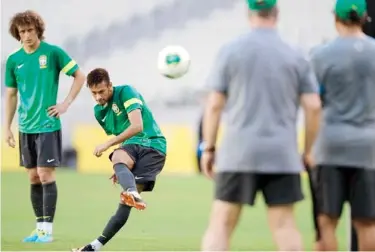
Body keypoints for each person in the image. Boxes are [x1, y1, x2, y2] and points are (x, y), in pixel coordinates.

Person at [199, 0, 322, 250]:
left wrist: (208, 147)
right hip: (281, 153)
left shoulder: (230, 50)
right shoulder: (295, 53)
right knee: (284, 225)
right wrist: (309, 150)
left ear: (249, 13)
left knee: (221, 224)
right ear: (276, 13)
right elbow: (313, 106)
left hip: (238, 153)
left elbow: (214, 105)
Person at [4, 10, 85, 243]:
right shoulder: (14, 60)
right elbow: (11, 95)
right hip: (25, 127)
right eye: (22, 32)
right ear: (17, 35)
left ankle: (47, 230)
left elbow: (79, 76)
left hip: (48, 124)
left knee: (44, 173)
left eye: (30, 30)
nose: (27, 35)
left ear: (38, 30)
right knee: (32, 177)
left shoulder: (53, 53)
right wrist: (7, 127)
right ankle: (39, 228)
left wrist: (65, 103)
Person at [72, 68, 167, 251]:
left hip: (153, 145)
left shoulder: (126, 92)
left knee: (124, 188)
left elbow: (137, 126)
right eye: (94, 93)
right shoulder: (99, 112)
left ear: (110, 86)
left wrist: (109, 145)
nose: (98, 97)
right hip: (132, 146)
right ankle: (94, 247)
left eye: (101, 91)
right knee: (125, 201)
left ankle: (131, 191)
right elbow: (124, 137)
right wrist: (121, 168)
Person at [310, 0, 375, 250]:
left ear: (335, 18)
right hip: (368, 148)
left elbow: (313, 104)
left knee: (326, 222)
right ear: (364, 17)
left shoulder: (320, 55)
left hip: (330, 145)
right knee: (367, 223)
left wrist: (309, 148)